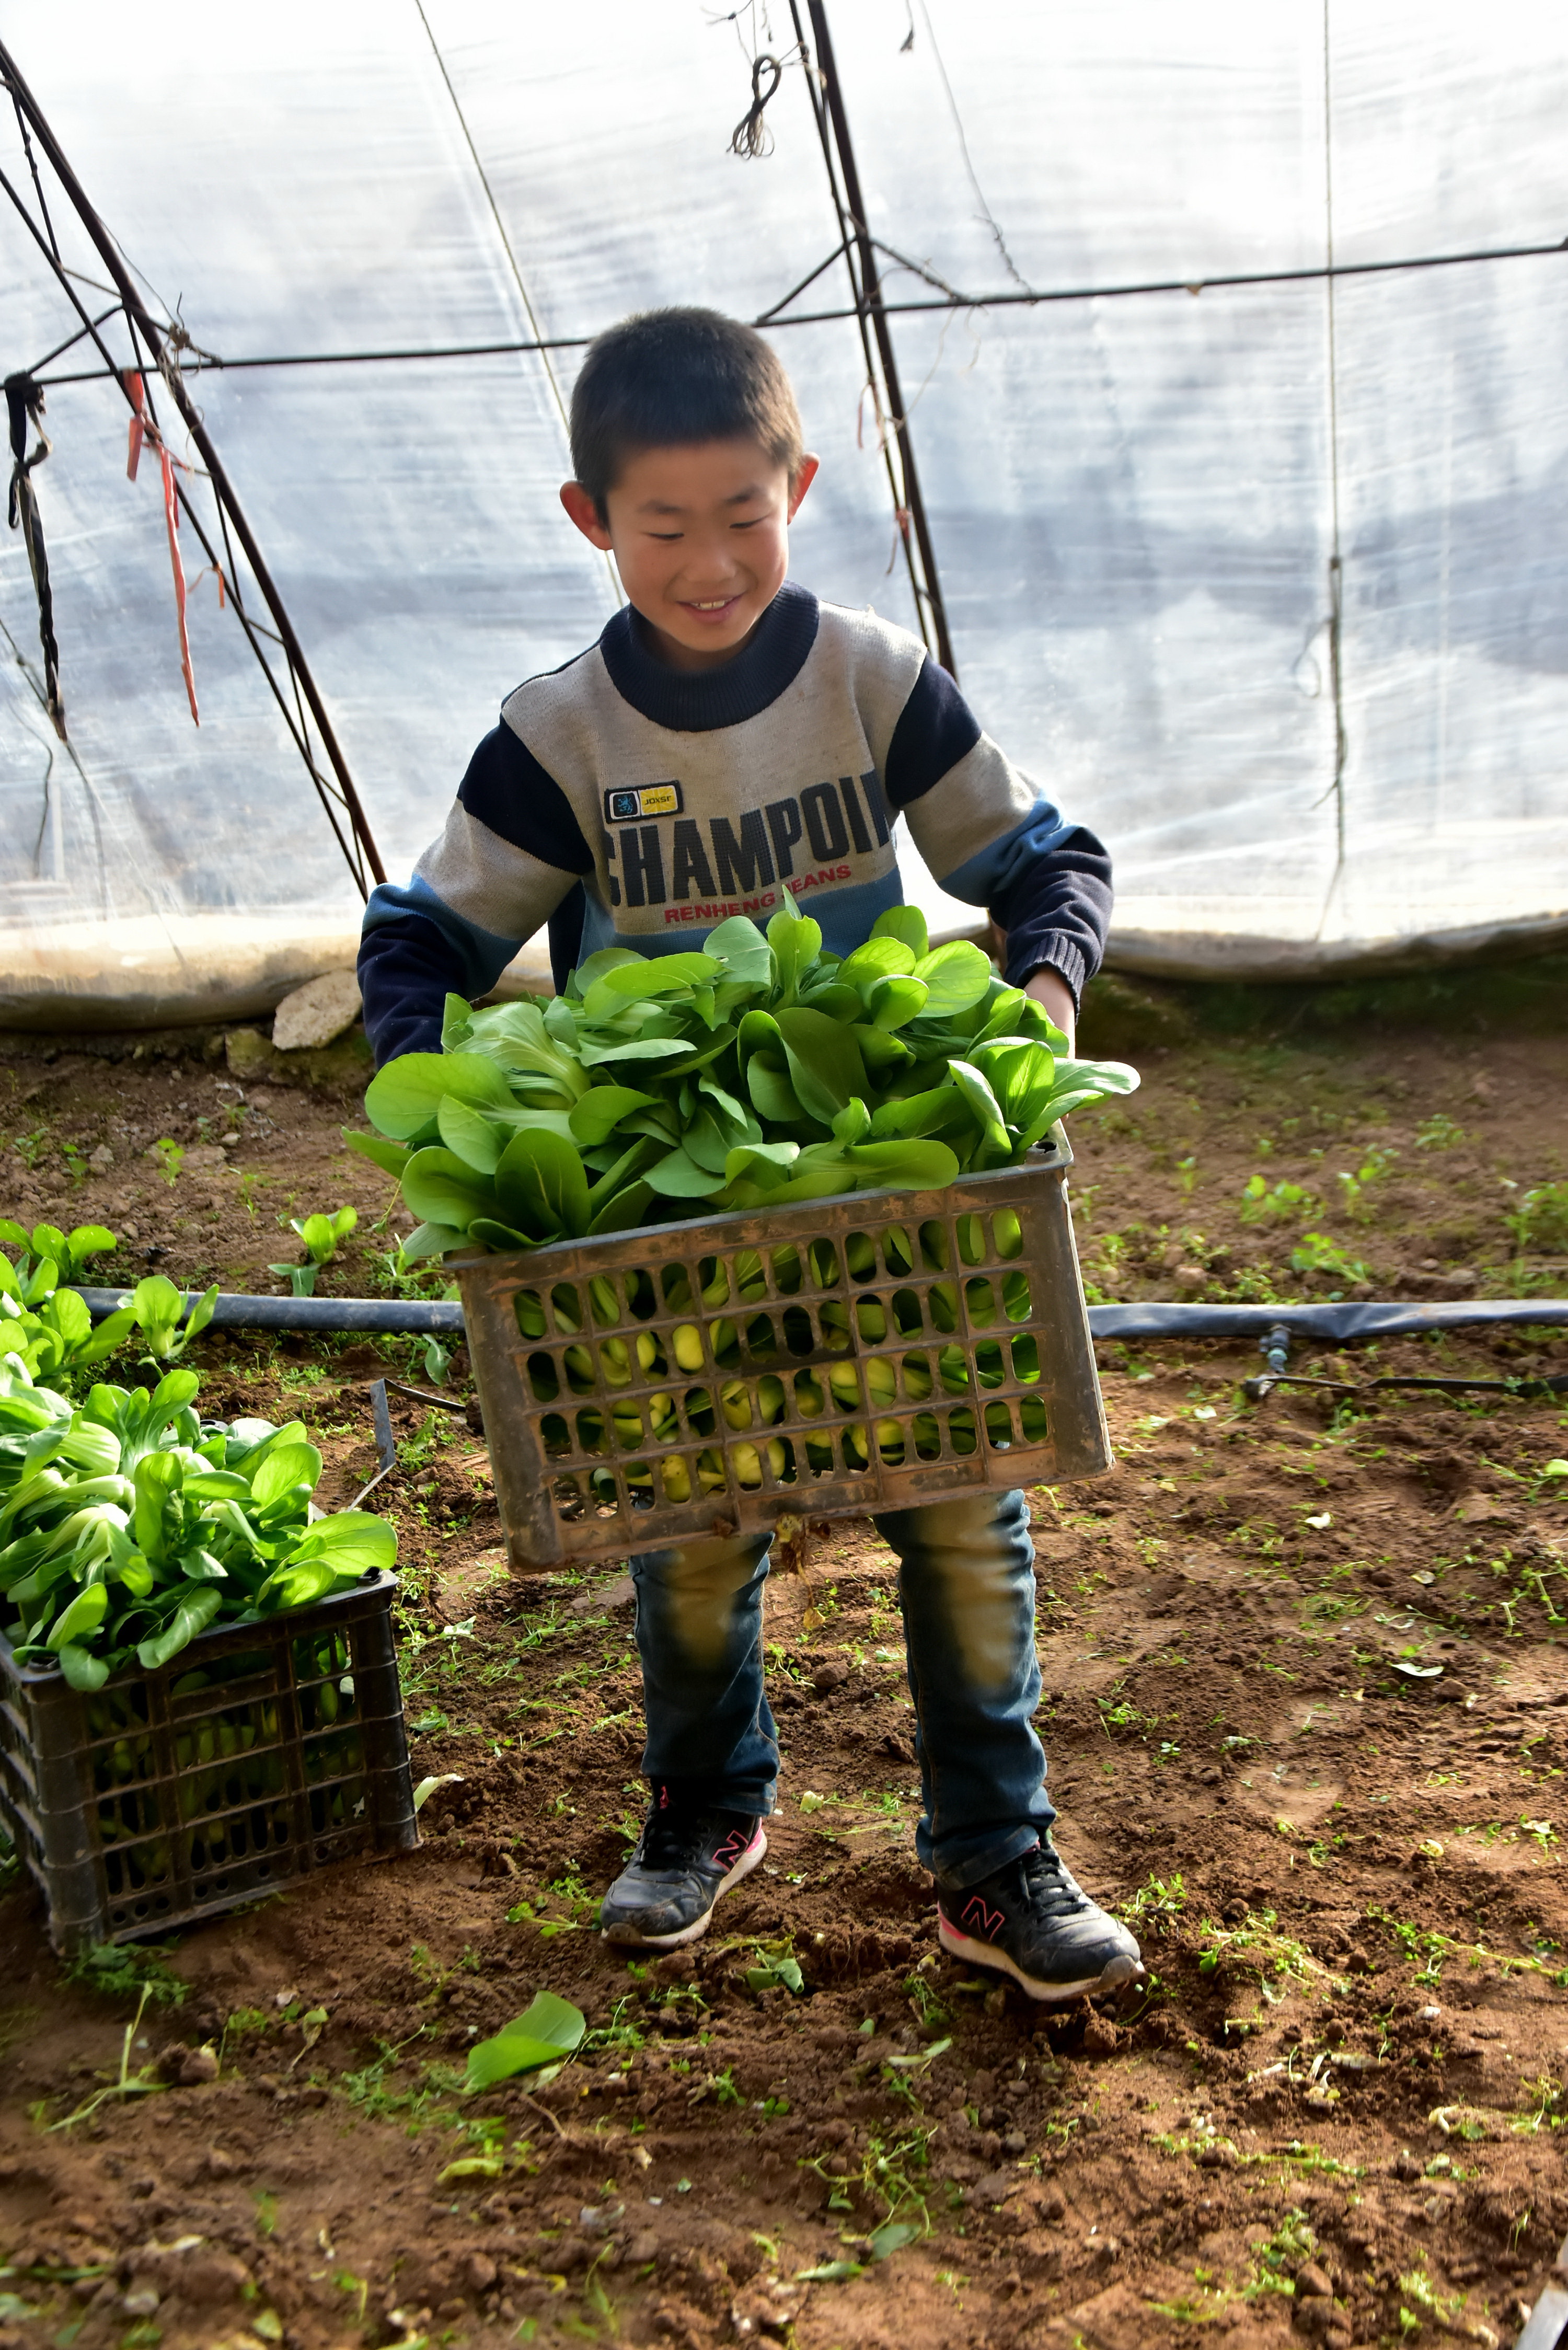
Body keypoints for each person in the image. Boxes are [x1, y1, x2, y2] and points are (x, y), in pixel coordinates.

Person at [358, 307, 1142, 2003]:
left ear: (799, 484)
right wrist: (444, 1095)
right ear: (591, 521)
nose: (710, 563)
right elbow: (419, 933)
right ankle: (705, 1812)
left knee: (961, 1502)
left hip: (882, 1185)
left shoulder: (869, 678)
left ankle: (993, 1857)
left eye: (745, 516)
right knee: (691, 1525)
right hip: (669, 1205)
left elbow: (1046, 861)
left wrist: (1045, 992)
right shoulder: (557, 737)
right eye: (664, 529)